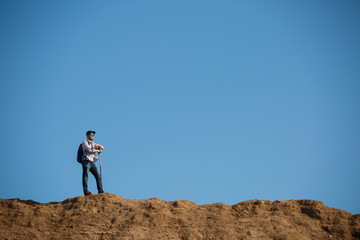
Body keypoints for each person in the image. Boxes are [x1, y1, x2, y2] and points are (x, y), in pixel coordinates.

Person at [81, 130, 104, 196]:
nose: (93, 135)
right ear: (87, 135)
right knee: (85, 176)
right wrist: (98, 150)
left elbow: (102, 147)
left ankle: (100, 191)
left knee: (98, 176)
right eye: (91, 134)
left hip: (92, 162)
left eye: (93, 135)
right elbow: (89, 150)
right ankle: (85, 191)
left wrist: (100, 146)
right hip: (86, 161)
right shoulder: (85, 142)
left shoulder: (93, 143)